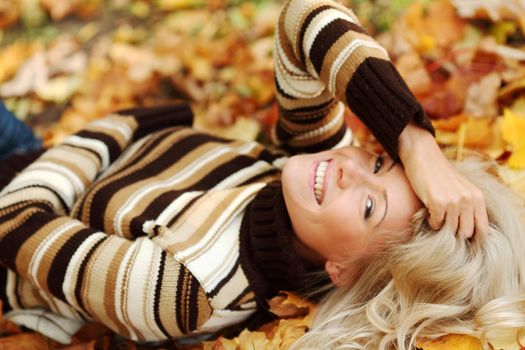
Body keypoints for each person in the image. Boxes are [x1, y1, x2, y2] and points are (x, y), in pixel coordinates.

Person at [0, 0, 494, 346]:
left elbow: (14, 218)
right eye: (381, 162)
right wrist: (415, 141)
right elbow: (306, 18)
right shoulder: (298, 181)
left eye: (369, 207)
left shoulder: (185, 289)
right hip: (32, 155)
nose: (350, 169)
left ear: (344, 272)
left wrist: (102, 139)